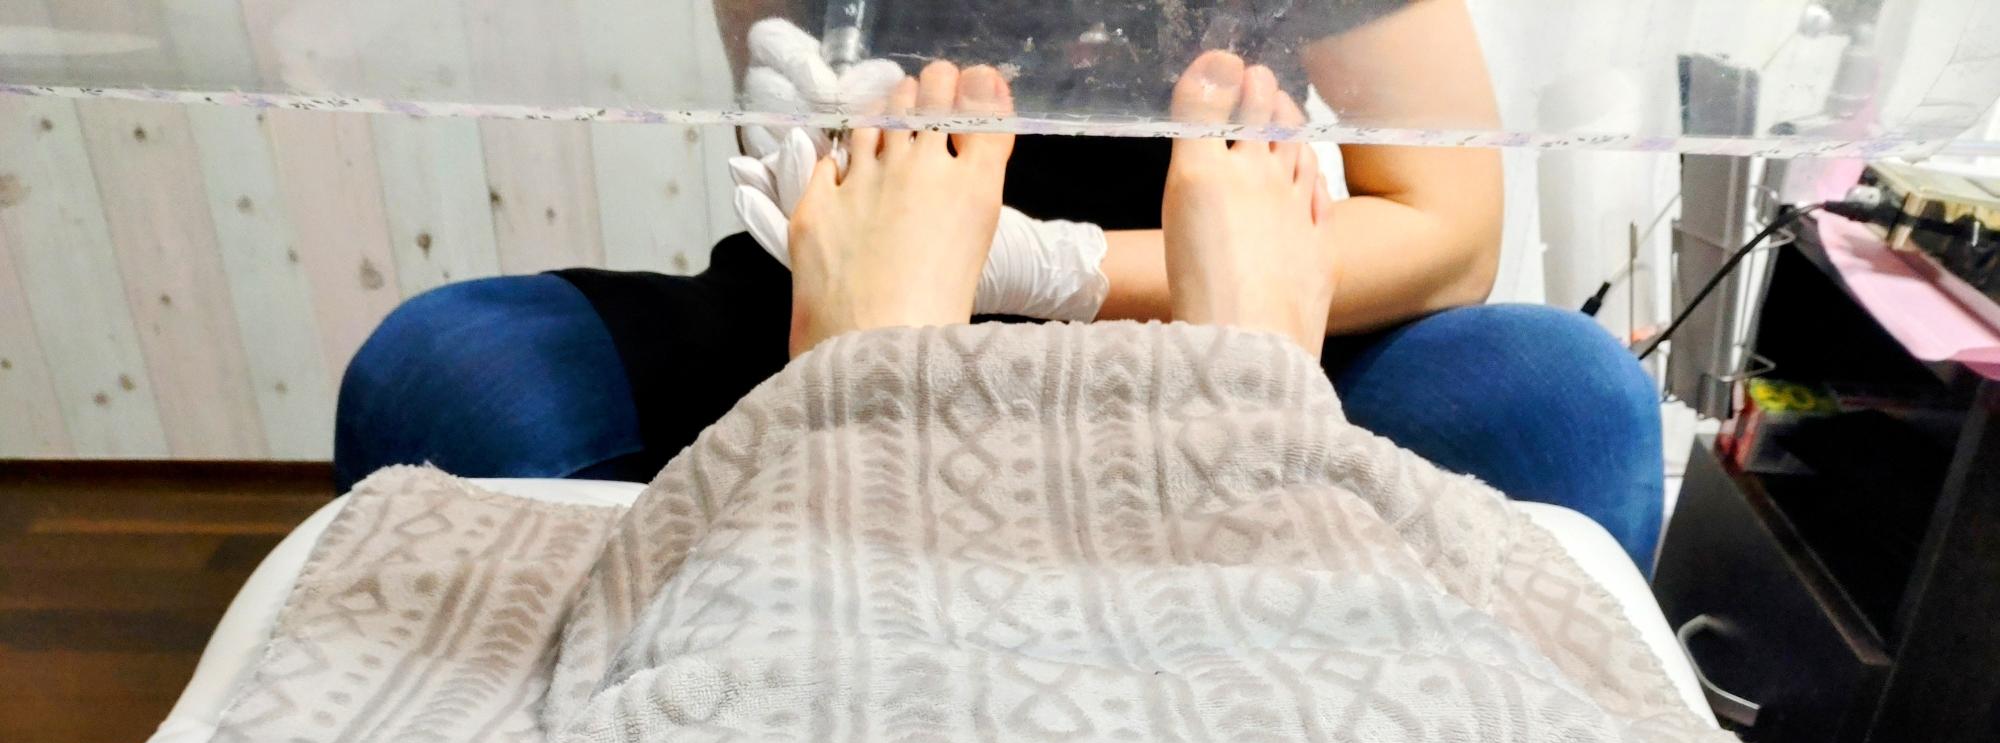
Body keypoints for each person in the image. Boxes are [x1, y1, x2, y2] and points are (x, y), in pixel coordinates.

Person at [335, 0, 1665, 568]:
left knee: (1564, 403)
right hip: (862, 294)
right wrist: (837, 186)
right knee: (445, 378)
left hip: (1199, 299)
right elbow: (803, 107)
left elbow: (1447, 226)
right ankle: (861, 426)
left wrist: (1060, 270)